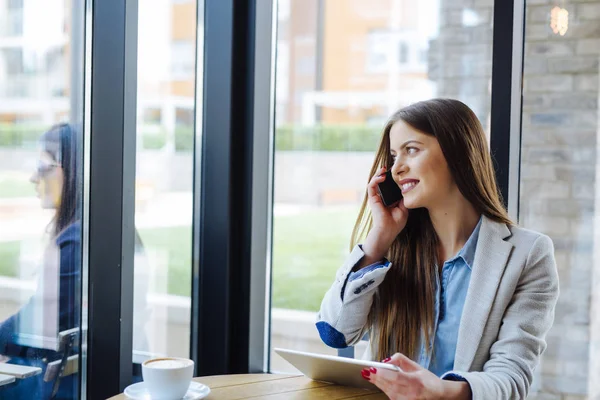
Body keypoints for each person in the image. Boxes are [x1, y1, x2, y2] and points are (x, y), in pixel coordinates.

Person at [316, 99, 559, 400]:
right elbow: (334, 332)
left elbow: (511, 379)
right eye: (393, 156)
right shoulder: (391, 247)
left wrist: (439, 391)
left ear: (458, 152)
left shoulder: (527, 254)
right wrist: (378, 239)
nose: (397, 169)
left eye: (412, 150)